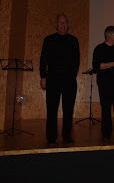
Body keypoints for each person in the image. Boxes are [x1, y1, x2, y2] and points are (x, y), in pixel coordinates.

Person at [40, 14, 80, 145]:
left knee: (68, 110)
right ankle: (51, 138)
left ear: (68, 25)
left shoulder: (73, 40)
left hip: (69, 80)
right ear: (56, 25)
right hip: (52, 79)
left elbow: (76, 60)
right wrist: (43, 77)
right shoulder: (49, 40)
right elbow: (43, 60)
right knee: (51, 110)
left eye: (65, 22)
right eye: (60, 22)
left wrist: (72, 75)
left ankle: (67, 136)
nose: (63, 25)